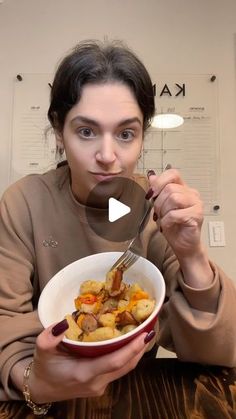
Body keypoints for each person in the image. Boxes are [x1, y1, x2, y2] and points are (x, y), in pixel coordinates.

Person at [0, 39, 235, 415]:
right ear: (59, 132)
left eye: (126, 133)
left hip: (141, 399)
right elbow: (5, 321)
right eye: (87, 131)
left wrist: (192, 254)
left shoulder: (153, 207)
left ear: (142, 138)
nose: (108, 156)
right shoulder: (23, 202)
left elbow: (219, 349)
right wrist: (32, 380)